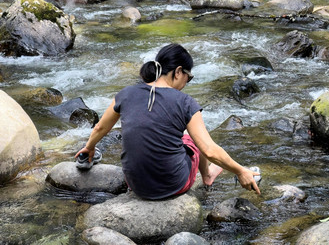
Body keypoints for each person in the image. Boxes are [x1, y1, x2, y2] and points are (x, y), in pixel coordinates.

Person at [75, 43, 261, 200]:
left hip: (135, 185)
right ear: (179, 71)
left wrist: (89, 147)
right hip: (173, 185)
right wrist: (240, 171)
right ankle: (207, 175)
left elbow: (100, 127)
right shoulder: (186, 102)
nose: (187, 82)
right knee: (192, 137)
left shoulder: (126, 93)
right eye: (190, 77)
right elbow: (210, 151)